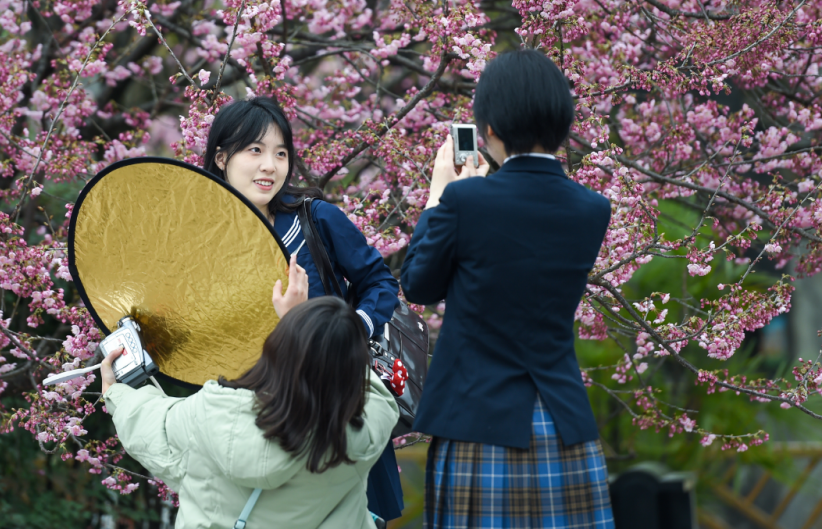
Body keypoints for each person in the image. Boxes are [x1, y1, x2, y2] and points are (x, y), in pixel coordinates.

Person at [400, 48, 615, 528]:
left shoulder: (465, 198)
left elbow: (418, 285)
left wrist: (438, 198)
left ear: (489, 129)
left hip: (479, 419)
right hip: (561, 421)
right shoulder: (592, 208)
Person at [201, 96, 404, 523]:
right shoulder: (202, 241)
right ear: (221, 157)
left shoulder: (316, 219)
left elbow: (379, 282)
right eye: (254, 151)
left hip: (334, 396)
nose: (269, 166)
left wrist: (352, 330)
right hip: (251, 408)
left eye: (280, 153)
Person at [100, 260, 400, 529]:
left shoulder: (211, 414)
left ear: (275, 348)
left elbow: (151, 425)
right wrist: (326, 342)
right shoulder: (363, 427)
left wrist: (116, 392)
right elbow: (375, 391)